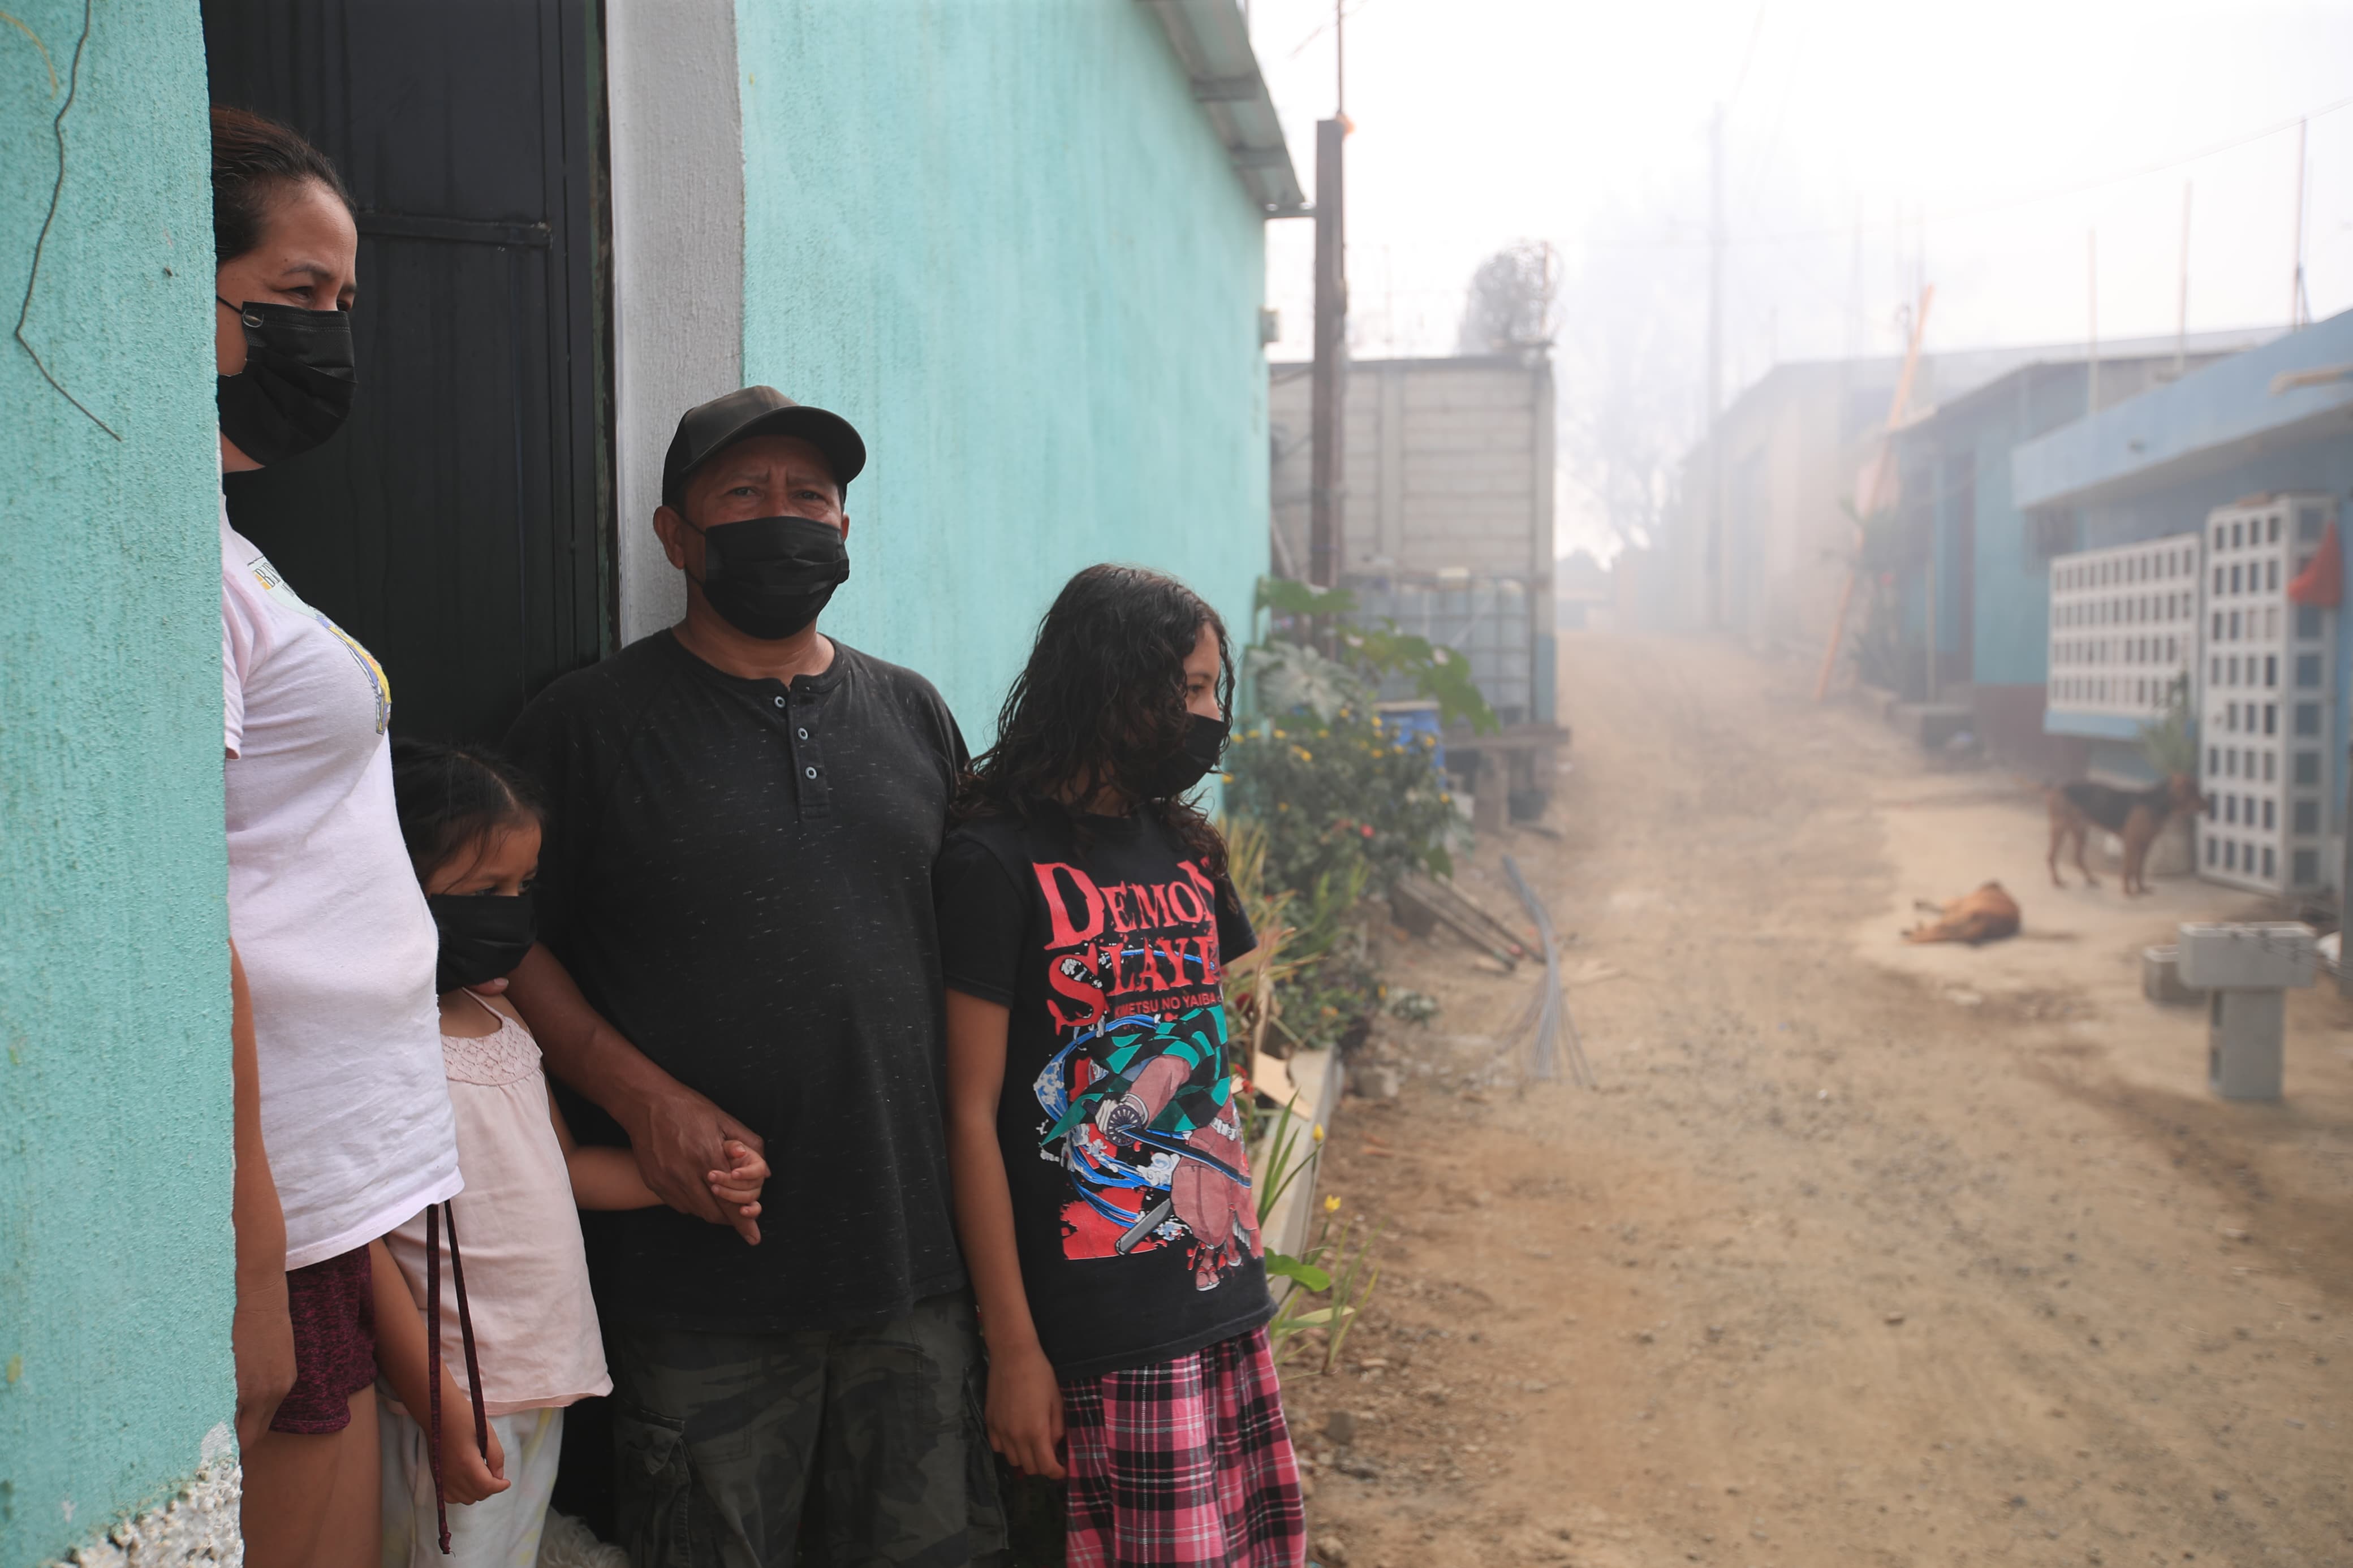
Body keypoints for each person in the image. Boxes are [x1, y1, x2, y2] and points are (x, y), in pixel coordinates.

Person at [501, 386, 1002, 1565]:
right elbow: (503, 943)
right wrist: (640, 1099)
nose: (785, 519)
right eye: (744, 494)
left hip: (911, 1274)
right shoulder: (585, 724)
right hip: (699, 1286)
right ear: (677, 535)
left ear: (843, 532)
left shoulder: (913, 713)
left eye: (811, 498)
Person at [934, 565, 1305, 1566]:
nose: (1210, 713)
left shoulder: (1190, 851)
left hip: (1219, 1293)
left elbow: (1208, 1058)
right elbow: (968, 1114)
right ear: (1113, 682)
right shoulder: (995, 863)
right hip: (1096, 1330)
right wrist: (1014, 1346)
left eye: (1214, 688)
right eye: (1189, 688)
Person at [213, 105, 462, 1567]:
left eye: (345, 304)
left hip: (319, 1197)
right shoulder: (180, 562)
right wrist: (255, 1261)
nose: (331, 334)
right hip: (277, 1205)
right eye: (298, 296)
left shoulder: (235, 546)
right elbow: (185, 915)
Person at [374, 738, 770, 1566]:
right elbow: (362, 1242)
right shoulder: (378, 1048)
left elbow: (568, 1170)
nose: (510, 912)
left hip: (543, 1377)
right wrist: (438, 1404)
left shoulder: (506, 1023)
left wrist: (692, 1178)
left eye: (521, 889)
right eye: (483, 892)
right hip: (448, 1400)